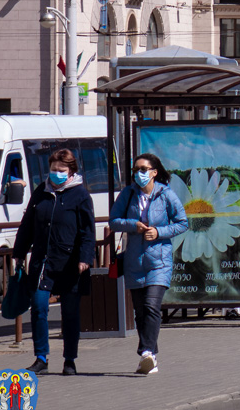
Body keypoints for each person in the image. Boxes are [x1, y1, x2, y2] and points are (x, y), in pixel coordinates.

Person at [13, 148, 95, 376]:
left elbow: (88, 232)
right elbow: (27, 224)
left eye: (61, 170)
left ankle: (69, 360)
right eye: (53, 169)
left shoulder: (80, 195)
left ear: (71, 172)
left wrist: (85, 258)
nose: (56, 174)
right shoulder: (41, 191)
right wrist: (19, 252)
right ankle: (41, 358)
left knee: (70, 313)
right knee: (39, 308)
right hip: (43, 261)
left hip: (70, 263)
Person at [110, 153, 187, 375]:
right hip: (134, 261)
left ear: (154, 172)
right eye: (136, 170)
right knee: (140, 312)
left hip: (159, 261)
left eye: (143, 169)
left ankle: (147, 352)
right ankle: (149, 354)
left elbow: (182, 223)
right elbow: (114, 221)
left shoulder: (166, 194)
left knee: (152, 306)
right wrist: (133, 225)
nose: (139, 174)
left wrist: (159, 232)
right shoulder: (128, 194)